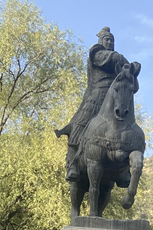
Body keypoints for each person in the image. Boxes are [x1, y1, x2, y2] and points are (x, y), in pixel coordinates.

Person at [55, 27, 131, 182]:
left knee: (126, 128)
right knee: (78, 125)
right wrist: (125, 62)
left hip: (114, 98)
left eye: (112, 40)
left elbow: (127, 70)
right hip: (96, 97)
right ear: (101, 41)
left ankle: (124, 170)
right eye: (107, 39)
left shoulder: (116, 59)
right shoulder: (97, 54)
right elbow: (115, 59)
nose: (109, 42)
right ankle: (72, 165)